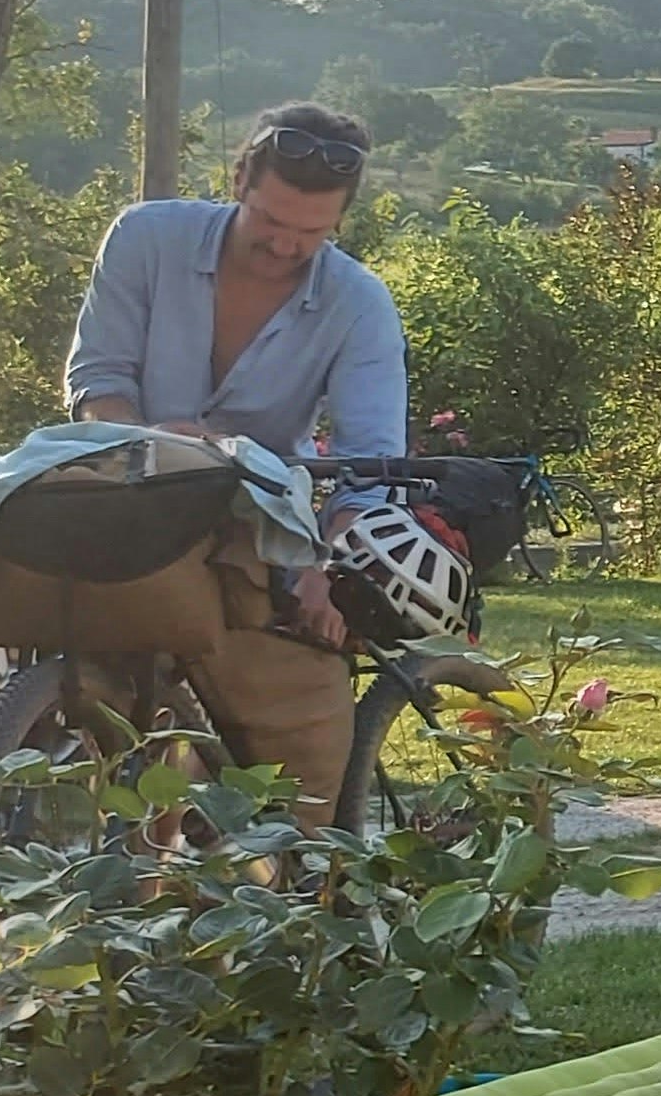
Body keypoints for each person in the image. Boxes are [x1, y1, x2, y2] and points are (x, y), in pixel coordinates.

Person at [63, 102, 409, 816]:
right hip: (132, 490)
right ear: (237, 180)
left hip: (263, 519)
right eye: (270, 222)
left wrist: (333, 566)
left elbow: (369, 459)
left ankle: (305, 854)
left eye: (311, 233)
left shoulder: (359, 302)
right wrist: (164, 446)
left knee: (294, 714)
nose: (285, 245)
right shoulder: (146, 238)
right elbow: (99, 383)